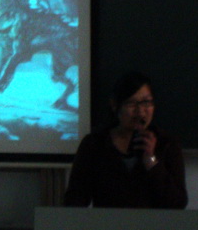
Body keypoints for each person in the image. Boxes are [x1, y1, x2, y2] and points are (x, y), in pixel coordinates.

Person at [64, 71, 188, 208]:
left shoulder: (167, 144)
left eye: (146, 102)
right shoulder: (95, 144)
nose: (140, 111)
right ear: (115, 105)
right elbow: (75, 199)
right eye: (131, 103)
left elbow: (178, 203)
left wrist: (151, 161)